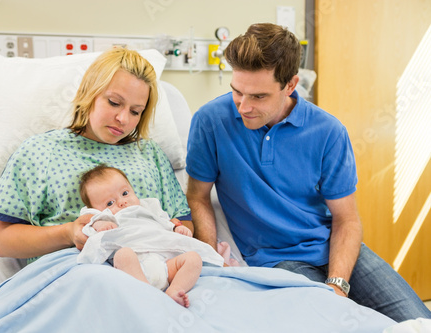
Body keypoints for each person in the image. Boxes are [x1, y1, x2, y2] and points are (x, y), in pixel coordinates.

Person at [185, 22, 431, 322]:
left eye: (259, 96)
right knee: (333, 324)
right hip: (276, 258)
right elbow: (198, 197)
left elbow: (346, 218)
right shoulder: (210, 121)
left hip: (333, 246)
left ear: (290, 85)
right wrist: (210, 260)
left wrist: (338, 285)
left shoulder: (328, 131)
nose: (243, 107)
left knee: (419, 322)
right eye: (237, 92)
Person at [0, 47, 193, 264]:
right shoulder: (40, 152)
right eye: (114, 102)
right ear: (90, 93)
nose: (123, 118)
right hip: (77, 271)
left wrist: (172, 230)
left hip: (156, 270)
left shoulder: (150, 154)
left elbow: (184, 223)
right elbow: (2, 241)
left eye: (135, 111)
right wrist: (68, 233)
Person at [77, 164, 223, 307]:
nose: (122, 202)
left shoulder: (148, 207)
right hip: (136, 267)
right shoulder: (103, 217)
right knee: (123, 254)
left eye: (125, 193)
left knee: (193, 259)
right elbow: (88, 226)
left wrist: (176, 229)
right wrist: (100, 225)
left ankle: (174, 290)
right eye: (110, 202)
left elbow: (164, 223)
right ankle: (145, 291)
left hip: (165, 265)